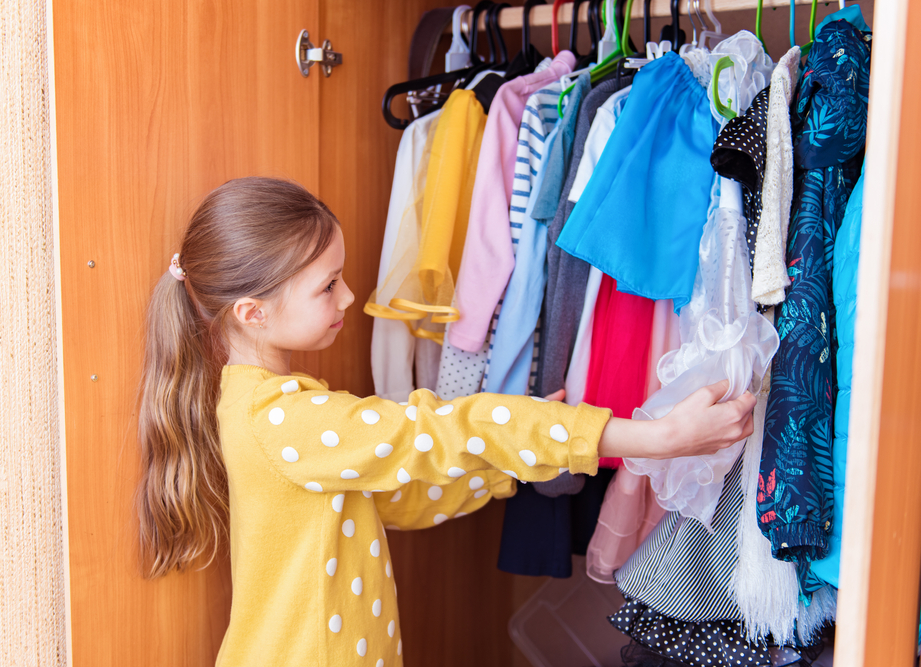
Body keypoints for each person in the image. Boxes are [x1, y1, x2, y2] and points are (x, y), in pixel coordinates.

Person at [137, 177, 757, 667]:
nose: (349, 297)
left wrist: (518, 454)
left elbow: (396, 496)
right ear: (252, 313)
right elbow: (444, 431)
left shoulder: (270, 406)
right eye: (328, 286)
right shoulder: (284, 420)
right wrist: (653, 437)